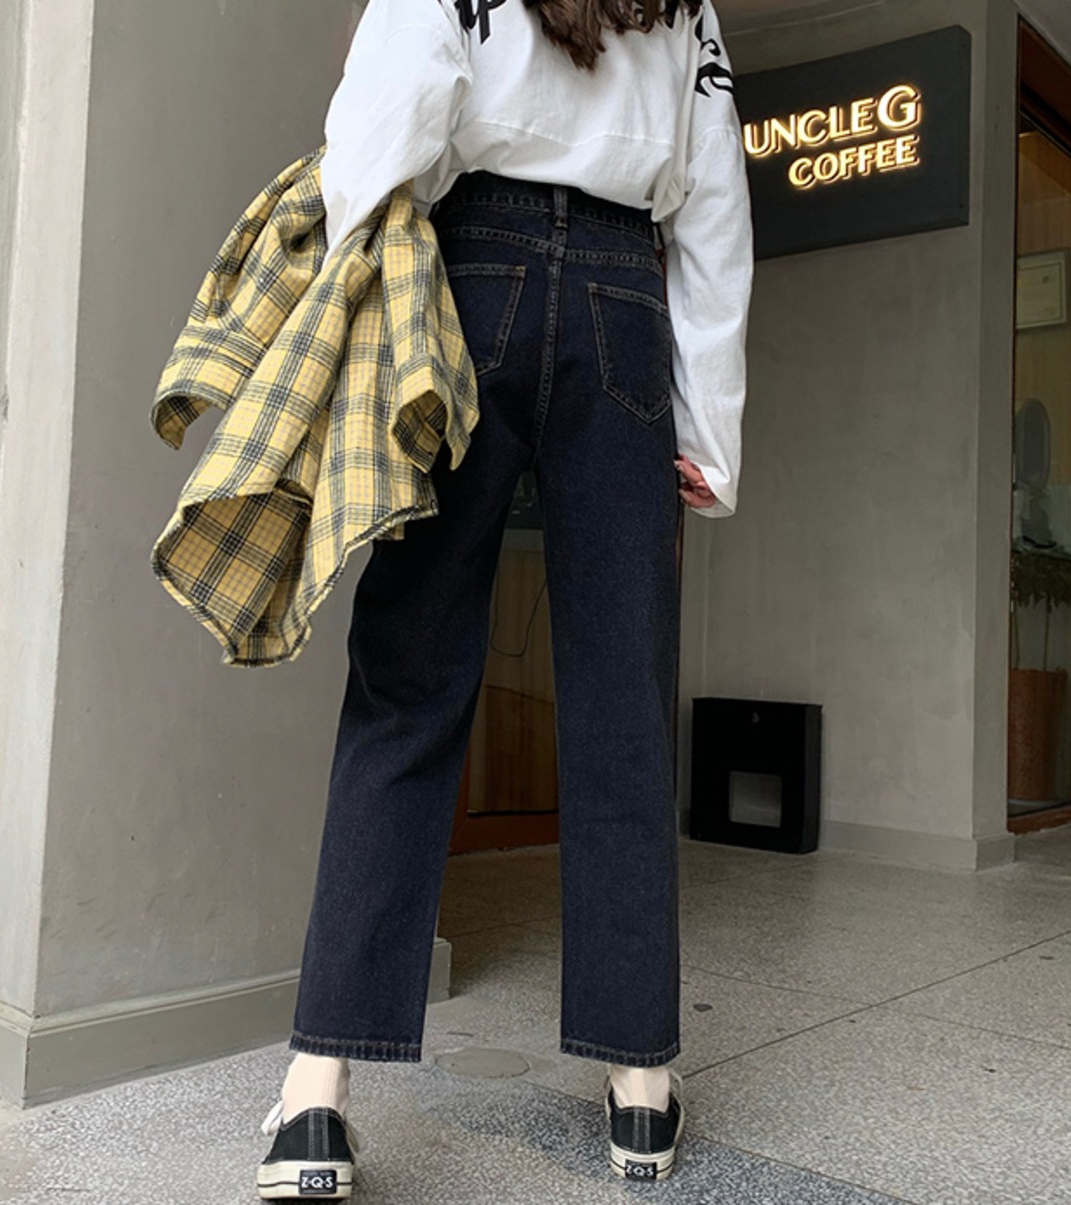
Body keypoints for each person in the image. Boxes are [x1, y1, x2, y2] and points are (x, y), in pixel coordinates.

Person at [255, 0, 753, 1197]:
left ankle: (315, 1097)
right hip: (624, 303)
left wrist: (344, 314)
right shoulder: (685, 8)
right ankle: (640, 1085)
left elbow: (390, 115)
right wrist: (708, 430)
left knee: (406, 683)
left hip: (469, 278)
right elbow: (713, 207)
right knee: (623, 700)